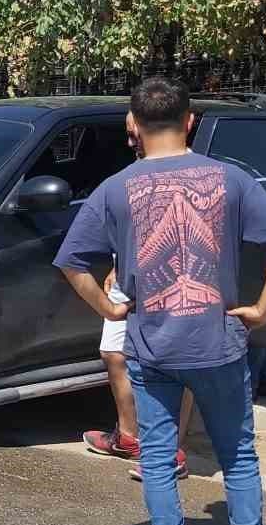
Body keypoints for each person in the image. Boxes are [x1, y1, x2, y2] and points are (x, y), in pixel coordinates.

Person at [54, 77, 266, 525]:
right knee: (237, 457)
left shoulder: (115, 188)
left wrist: (110, 308)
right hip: (220, 345)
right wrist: (262, 310)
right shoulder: (231, 180)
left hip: (152, 348)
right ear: (191, 121)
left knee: (160, 457)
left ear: (133, 126)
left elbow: (72, 262)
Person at [83, 127, 195, 480]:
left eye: (136, 130)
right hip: (129, 275)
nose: (131, 138)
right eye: (129, 129)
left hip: (172, 279)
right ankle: (130, 437)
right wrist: (117, 265)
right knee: (113, 353)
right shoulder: (131, 173)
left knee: (176, 363)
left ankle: (171, 453)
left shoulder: (189, 169)